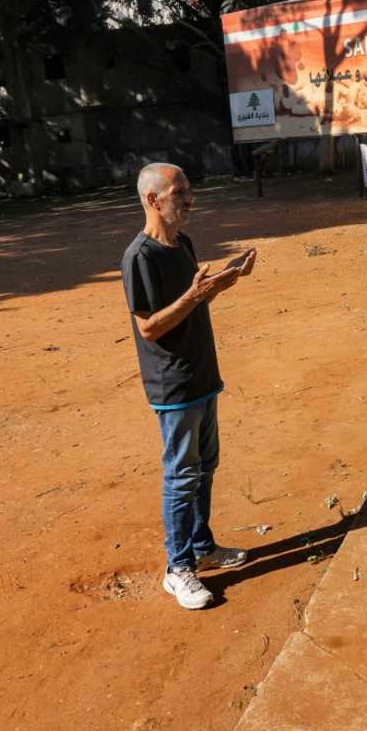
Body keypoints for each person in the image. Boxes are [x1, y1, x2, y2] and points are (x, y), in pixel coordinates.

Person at [120, 162, 257, 609]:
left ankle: (203, 548)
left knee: (206, 467)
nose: (189, 199)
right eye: (179, 192)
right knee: (182, 477)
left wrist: (221, 284)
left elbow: (191, 302)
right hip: (173, 386)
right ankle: (177, 569)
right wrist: (195, 296)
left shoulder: (182, 244)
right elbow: (149, 328)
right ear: (152, 200)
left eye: (189, 191)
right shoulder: (140, 257)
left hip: (202, 375)